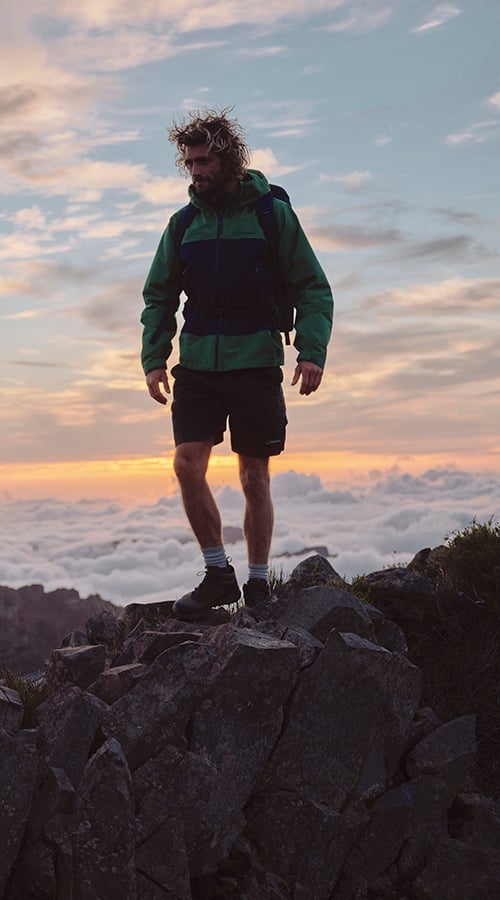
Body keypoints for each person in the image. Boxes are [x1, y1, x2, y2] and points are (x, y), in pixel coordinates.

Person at [141, 109, 333, 618]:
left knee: (253, 478)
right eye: (190, 163)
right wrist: (154, 359)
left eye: (204, 161)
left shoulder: (271, 215)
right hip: (197, 364)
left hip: (255, 362)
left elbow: (312, 287)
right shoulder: (183, 225)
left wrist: (311, 351)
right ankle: (218, 575)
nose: (196, 171)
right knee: (186, 465)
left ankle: (259, 582)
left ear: (228, 159)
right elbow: (159, 295)